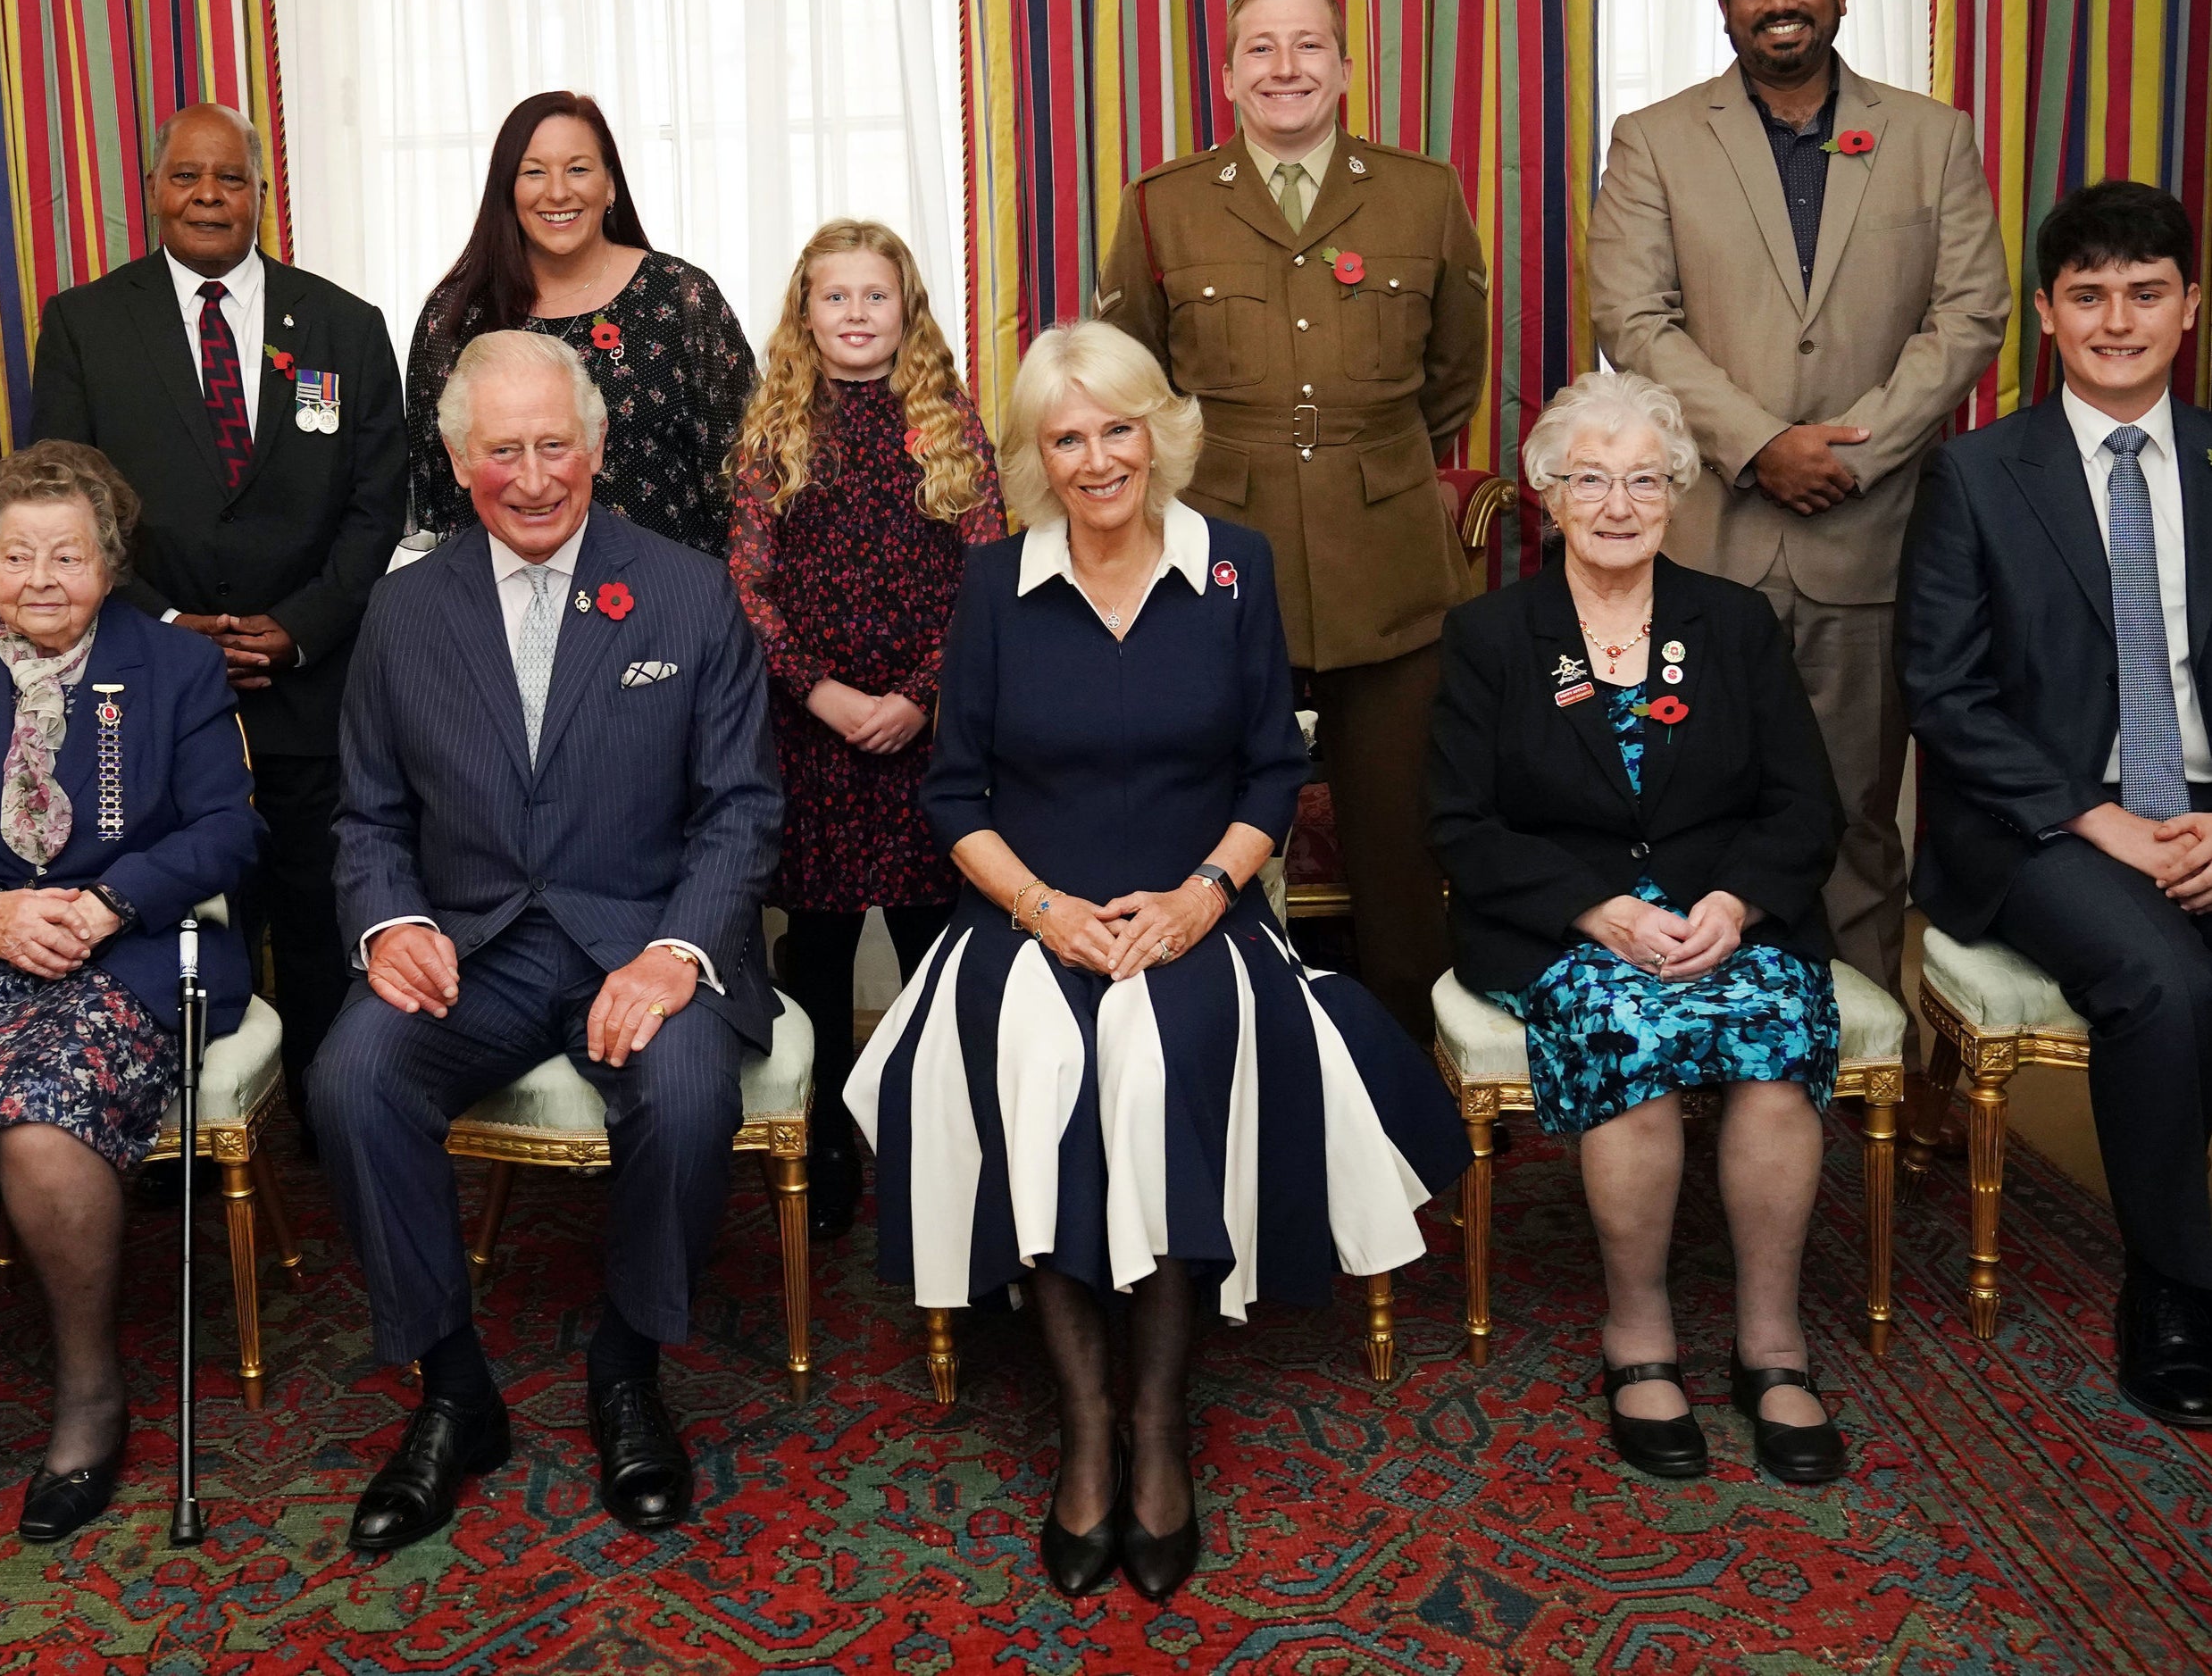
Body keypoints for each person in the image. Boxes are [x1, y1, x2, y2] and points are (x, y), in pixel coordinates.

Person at [847, 322, 1467, 1601]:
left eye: (1115, 427)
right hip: (1029, 916)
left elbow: (1271, 772)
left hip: (1201, 909)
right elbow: (953, 794)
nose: (1094, 458)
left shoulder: (1231, 568)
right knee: (1041, 1056)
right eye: (1064, 437)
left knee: (1153, 1059)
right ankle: (1084, 1424)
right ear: (1034, 457)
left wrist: (1195, 898)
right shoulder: (995, 586)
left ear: (1157, 432)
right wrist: (1043, 911)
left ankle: (1160, 1420)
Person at [312, 329, 781, 1553]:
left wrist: (678, 952)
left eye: (553, 445)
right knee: (352, 1079)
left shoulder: (684, 589)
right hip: (477, 945)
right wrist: (391, 920)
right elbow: (365, 811)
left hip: (642, 935)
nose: (531, 475)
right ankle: (454, 1388)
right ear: (461, 461)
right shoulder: (406, 610)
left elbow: (739, 807)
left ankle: (626, 1370)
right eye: (501, 449)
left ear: (597, 447)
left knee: (683, 1098)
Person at [1427, 370, 1849, 1484]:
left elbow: (1805, 803)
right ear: (1548, 496)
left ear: (1676, 491)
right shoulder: (1490, 636)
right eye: (1590, 480)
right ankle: (1639, 1332)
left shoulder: (1735, 624)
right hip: (1565, 929)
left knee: (1771, 1031)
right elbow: (1458, 824)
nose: (1618, 503)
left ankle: (1770, 1341)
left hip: (1726, 918)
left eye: (1643, 480)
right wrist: (1594, 907)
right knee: (1631, 1033)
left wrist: (1736, 902)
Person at [0, 442, 259, 1549]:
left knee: (38, 1132)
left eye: (66, 555)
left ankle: (88, 1393)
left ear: (110, 564)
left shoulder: (173, 670)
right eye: (16, 555)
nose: (40, 578)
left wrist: (113, 900)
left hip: (120, 954)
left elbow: (230, 829)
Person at [1590, 0, 2007, 995]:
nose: (1780, 4)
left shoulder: (1931, 135)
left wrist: (1851, 453)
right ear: (1724, 6)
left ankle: (1860, 1056)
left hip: (1866, 534)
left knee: (1856, 815)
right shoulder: (1655, 139)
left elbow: (1969, 314)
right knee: (1682, 807)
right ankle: (1695, 1052)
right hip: (1705, 537)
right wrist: (1762, 443)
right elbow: (1632, 321)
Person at [1098, 0, 1489, 1042]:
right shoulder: (1164, 203)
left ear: (1346, 69)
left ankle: (1411, 1077)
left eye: (1307, 46)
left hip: (1389, 566)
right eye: (1259, 49)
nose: (1285, 68)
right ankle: (1228, 1054)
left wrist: (1372, 454)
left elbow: (1454, 372)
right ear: (1226, 75)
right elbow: (1131, 384)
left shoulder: (1422, 193)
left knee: (1400, 845)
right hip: (1219, 558)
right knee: (1208, 829)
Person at [1899, 180, 2212, 1430]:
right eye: (2087, 294)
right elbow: (1944, 692)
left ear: (2186, 306)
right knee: (2163, 976)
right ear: (2044, 312)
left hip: (2198, 800)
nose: (2116, 318)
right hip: (2037, 820)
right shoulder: (1975, 475)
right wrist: (2104, 821)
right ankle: (2173, 1288)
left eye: (2143, 292)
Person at [29, 103, 406, 1105]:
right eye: (186, 177)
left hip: (312, 682)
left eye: (229, 178)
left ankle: (338, 1114)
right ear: (152, 191)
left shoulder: (344, 326)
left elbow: (378, 509)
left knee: (322, 914)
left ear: (260, 196)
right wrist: (158, 625)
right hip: (149, 683)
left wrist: (301, 628)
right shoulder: (83, 325)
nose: (207, 195)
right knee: (173, 918)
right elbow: (61, 499)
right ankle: (172, 1112)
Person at [727, 219, 1004, 1242]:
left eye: (873, 296)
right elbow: (747, 585)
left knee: (937, 948)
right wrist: (819, 692)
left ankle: (941, 1136)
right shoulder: (775, 430)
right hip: (814, 740)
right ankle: (828, 1134)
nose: (854, 314)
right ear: (805, 313)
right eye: (833, 297)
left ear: (908, 310)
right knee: (822, 954)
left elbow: (988, 582)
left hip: (927, 737)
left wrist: (919, 695)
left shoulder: (949, 426)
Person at [405, 90, 755, 557]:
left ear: (610, 185)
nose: (557, 192)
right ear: (507, 190)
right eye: (534, 172)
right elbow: (438, 495)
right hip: (504, 608)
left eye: (578, 168)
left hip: (668, 605)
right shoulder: (454, 316)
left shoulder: (682, 297)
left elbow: (746, 477)